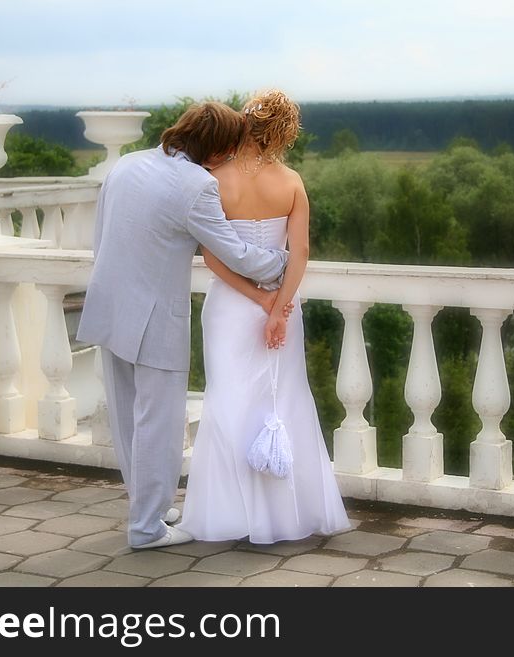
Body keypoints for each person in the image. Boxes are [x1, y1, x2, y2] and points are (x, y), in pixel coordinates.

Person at [77, 102, 290, 550]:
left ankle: (146, 508)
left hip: (109, 304)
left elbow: (102, 234)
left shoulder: (126, 165)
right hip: (154, 318)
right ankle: (147, 529)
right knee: (160, 424)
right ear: (220, 148)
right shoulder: (197, 185)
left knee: (127, 419)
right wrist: (284, 261)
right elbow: (235, 253)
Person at [179, 90, 351, 544]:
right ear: (285, 134)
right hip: (284, 307)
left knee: (228, 402)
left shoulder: (213, 178)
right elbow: (301, 254)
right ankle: (287, 516)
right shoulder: (291, 182)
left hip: (231, 308)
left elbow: (213, 260)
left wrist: (257, 300)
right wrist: (276, 308)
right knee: (283, 401)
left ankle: (229, 515)